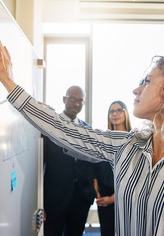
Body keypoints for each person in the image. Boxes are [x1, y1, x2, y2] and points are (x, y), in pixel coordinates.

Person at [0, 40, 164, 235]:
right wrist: (10, 85)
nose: (136, 88)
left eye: (146, 81)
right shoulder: (127, 145)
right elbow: (67, 131)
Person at [42, 85, 96, 236]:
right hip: (54, 198)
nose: (76, 104)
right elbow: (40, 166)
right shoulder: (50, 127)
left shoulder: (88, 130)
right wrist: (40, 201)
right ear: (64, 99)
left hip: (81, 198)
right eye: (73, 99)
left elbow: (91, 163)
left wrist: (90, 194)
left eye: (80, 100)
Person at [94, 100, 132, 236]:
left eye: (119, 110)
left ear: (125, 113)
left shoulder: (133, 139)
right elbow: (96, 166)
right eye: (111, 111)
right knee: (106, 231)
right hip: (104, 195)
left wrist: (113, 198)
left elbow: (133, 174)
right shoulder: (104, 139)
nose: (115, 114)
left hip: (125, 196)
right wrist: (97, 193)